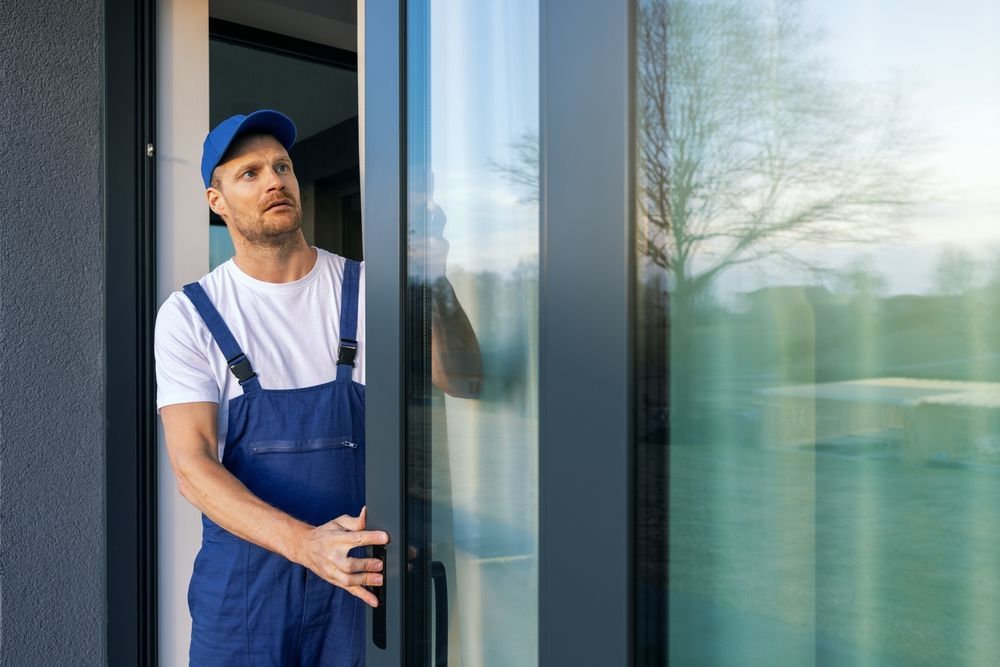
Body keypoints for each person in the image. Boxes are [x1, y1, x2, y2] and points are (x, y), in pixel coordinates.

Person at [155, 109, 481, 666]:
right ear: (217, 201)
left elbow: (464, 379)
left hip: (359, 585)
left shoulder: (369, 288)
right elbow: (192, 467)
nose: (274, 180)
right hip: (245, 597)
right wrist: (307, 545)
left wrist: (436, 281)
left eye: (281, 166)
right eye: (250, 173)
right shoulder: (190, 315)